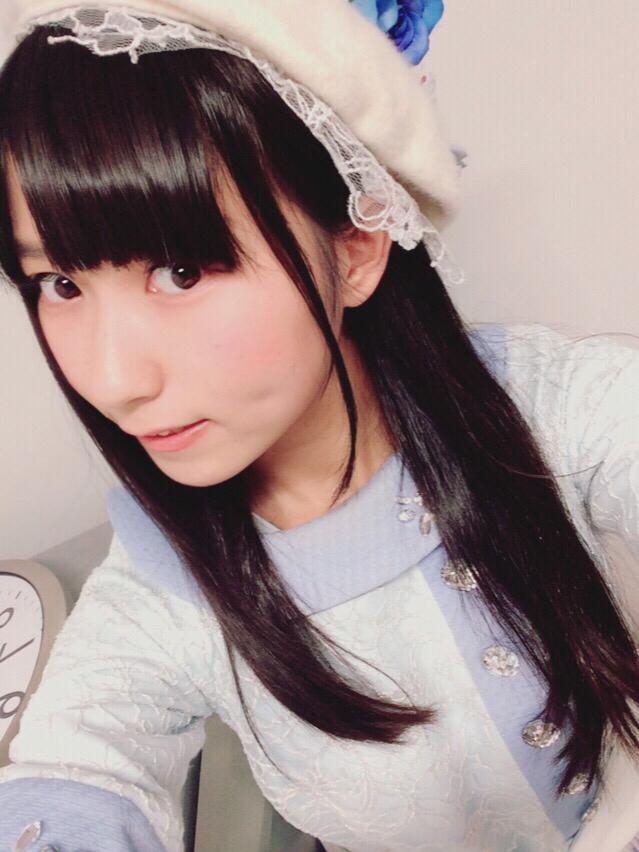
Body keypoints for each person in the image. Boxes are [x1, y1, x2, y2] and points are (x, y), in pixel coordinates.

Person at [0, 2, 638, 851]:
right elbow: (79, 765)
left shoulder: (543, 403)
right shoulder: (163, 587)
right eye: (59, 284)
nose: (113, 380)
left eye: (180, 271)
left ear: (355, 247)